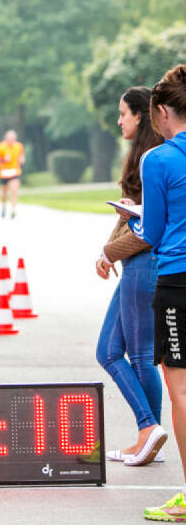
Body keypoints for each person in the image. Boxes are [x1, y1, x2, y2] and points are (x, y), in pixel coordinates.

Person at [92, 87, 165, 467]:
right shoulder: (140, 157)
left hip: (145, 264)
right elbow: (127, 215)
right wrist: (105, 251)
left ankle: (147, 429)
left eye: (123, 113)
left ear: (141, 115)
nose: (119, 120)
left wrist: (109, 253)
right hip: (135, 266)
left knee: (137, 355)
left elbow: (146, 227)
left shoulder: (153, 160)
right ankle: (148, 436)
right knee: (109, 351)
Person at [128, 66, 186, 521]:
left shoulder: (158, 159)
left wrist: (134, 218)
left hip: (179, 279)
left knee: (181, 389)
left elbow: (155, 231)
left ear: (164, 111)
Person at [0, 130, 24, 218]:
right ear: (6, 138)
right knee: (4, 193)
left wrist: (21, 160)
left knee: (14, 190)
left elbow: (21, 156)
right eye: (9, 138)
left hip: (15, 171)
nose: (11, 140)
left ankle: (13, 209)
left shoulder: (19, 146)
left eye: (13, 138)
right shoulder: (0, 146)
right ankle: (3, 207)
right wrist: (3, 159)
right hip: (3, 173)